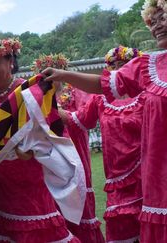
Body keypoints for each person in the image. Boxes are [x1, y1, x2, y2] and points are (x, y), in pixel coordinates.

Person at [42, 1, 167, 241]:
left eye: (163, 18)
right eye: (154, 20)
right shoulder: (147, 68)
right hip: (151, 176)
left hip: (143, 173)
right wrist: (55, 85)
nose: (157, 26)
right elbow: (97, 90)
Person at [0, 38, 83, 242]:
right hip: (0, 176)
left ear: (10, 62)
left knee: (40, 227)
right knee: (9, 230)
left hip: (30, 172)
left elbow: (52, 129)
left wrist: (33, 149)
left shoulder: (31, 91)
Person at [61, 46, 144, 243]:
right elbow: (76, 120)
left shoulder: (148, 93)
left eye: (123, 65)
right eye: (113, 65)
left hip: (146, 174)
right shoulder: (100, 98)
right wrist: (42, 105)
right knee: (122, 233)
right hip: (117, 178)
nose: (118, 69)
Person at [32, 53, 104, 243]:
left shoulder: (76, 92)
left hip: (75, 151)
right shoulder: (37, 98)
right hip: (50, 159)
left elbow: (85, 120)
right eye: (43, 73)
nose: (48, 77)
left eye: (52, 72)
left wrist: (53, 112)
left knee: (79, 204)